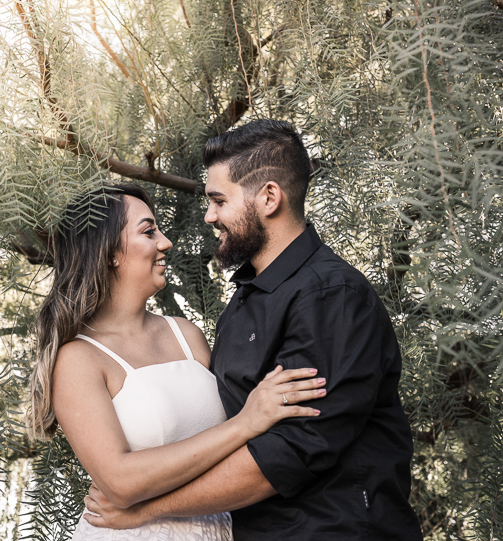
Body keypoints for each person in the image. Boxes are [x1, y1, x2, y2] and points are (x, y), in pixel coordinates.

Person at [84, 120, 423, 540]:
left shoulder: (330, 296)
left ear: (268, 197)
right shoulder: (248, 297)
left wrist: (148, 510)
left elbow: (288, 453)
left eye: (219, 200)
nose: (209, 216)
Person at [26, 182, 328, 540]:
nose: (165, 242)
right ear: (109, 252)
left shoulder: (187, 334)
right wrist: (245, 423)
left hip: (218, 528)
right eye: (149, 231)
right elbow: (121, 482)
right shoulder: (78, 359)